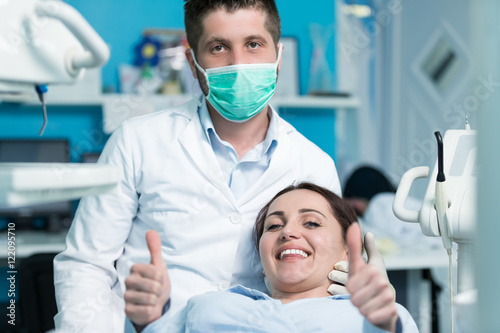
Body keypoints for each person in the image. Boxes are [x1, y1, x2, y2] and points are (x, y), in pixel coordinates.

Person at [53, 2, 387, 331]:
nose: (239, 64)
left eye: (253, 44)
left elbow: (324, 277)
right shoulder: (136, 142)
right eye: (218, 47)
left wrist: (354, 288)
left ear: (278, 57)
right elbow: (86, 265)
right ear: (193, 62)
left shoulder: (314, 164)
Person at [126, 183, 418, 332]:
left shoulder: (371, 319)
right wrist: (150, 317)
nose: (288, 232)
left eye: (311, 223)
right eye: (274, 225)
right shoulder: (209, 308)